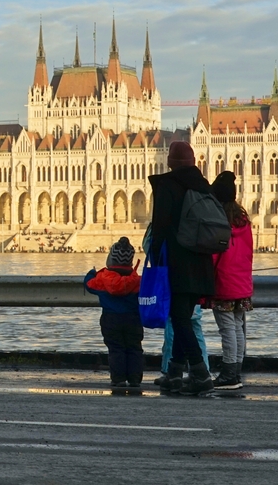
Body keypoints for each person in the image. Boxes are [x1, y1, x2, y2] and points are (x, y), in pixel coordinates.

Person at [149, 140, 216, 395]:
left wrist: (156, 264)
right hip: (201, 264)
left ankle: (200, 373)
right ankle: (175, 373)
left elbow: (160, 229)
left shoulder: (167, 186)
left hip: (177, 266)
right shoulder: (203, 186)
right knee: (183, 318)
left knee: (179, 319)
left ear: (170, 162)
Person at [208, 171, 254, 390]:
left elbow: (214, 256)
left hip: (224, 284)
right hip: (242, 283)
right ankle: (236, 370)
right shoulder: (243, 221)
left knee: (227, 329)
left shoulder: (219, 222)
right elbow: (248, 253)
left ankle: (229, 374)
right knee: (237, 326)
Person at [85, 237, 144, 393]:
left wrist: (92, 272)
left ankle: (118, 380)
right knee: (135, 348)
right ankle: (135, 380)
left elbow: (89, 285)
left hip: (111, 318)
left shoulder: (102, 280)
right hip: (133, 318)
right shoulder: (138, 281)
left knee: (115, 349)